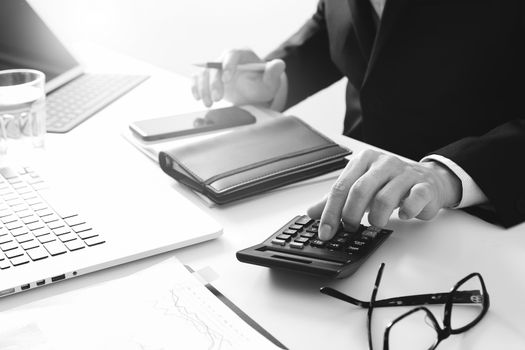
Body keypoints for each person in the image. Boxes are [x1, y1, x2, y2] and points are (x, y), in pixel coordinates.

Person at [192, 0, 525, 240]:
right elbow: (332, 30)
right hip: (351, 204)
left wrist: (445, 175)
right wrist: (272, 82)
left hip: (479, 224)